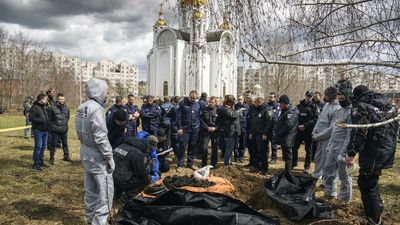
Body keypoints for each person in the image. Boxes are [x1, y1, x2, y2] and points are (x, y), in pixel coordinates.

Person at [346, 85, 398, 225]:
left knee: (366, 182)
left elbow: (359, 131)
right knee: (372, 180)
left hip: (373, 150)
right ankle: (378, 208)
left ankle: (374, 220)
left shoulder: (361, 106)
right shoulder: (388, 105)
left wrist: (351, 152)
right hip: (387, 149)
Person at [75, 78, 114, 225]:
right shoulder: (96, 109)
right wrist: (109, 157)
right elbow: (101, 137)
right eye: (106, 92)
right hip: (97, 156)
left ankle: (91, 219)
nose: (107, 96)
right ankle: (99, 222)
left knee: (90, 190)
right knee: (105, 192)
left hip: (85, 151)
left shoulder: (82, 107)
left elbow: (79, 131)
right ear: (99, 91)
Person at [323, 82, 353, 204]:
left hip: (342, 148)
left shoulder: (351, 112)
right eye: (339, 99)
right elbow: (335, 129)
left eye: (343, 99)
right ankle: (330, 192)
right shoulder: (340, 110)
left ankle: (345, 198)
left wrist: (344, 152)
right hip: (333, 146)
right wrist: (330, 144)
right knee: (328, 169)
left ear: (348, 98)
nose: (340, 101)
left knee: (343, 175)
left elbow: (350, 134)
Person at [311, 87, 341, 180]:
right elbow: (320, 120)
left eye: (326, 95)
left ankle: (326, 179)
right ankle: (316, 175)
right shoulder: (326, 105)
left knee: (325, 159)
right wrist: (314, 131)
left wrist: (319, 136)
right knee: (317, 157)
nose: (324, 96)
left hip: (328, 139)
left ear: (331, 96)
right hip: (319, 138)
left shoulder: (337, 108)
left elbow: (332, 128)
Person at [292, 91, 318, 174]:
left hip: (308, 131)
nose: (309, 97)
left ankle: (307, 167)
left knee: (309, 150)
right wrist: (298, 126)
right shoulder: (299, 106)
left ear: (312, 97)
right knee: (294, 147)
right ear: (305, 96)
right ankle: (294, 163)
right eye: (307, 96)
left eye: (310, 96)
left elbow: (315, 119)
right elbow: (294, 117)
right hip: (299, 131)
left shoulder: (314, 107)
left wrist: (305, 125)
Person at [176, 90, 201, 170]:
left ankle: (190, 163)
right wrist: (179, 128)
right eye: (192, 98)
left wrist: (198, 126)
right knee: (183, 146)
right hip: (185, 129)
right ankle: (180, 164)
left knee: (192, 146)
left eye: (195, 98)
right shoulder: (183, 103)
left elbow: (199, 116)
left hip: (195, 129)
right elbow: (178, 116)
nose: (193, 99)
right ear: (189, 96)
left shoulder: (197, 104)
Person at [248, 96, 273, 175]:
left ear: (259, 102)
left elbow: (269, 122)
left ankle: (264, 168)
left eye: (255, 102)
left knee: (262, 152)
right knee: (255, 151)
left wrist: (265, 133)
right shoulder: (255, 109)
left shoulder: (267, 109)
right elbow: (252, 122)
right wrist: (251, 132)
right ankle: (256, 166)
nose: (253, 103)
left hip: (262, 134)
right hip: (255, 134)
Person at [219, 95, 243, 167]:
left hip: (234, 130)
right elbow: (233, 115)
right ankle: (227, 163)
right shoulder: (224, 109)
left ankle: (229, 161)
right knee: (229, 148)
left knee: (231, 147)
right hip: (230, 130)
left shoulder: (229, 108)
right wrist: (240, 110)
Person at [47, 93, 72, 164]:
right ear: (57, 99)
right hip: (55, 129)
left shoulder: (66, 107)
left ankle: (66, 156)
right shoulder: (52, 107)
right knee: (53, 144)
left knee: (65, 144)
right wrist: (53, 127)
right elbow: (49, 119)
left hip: (64, 129)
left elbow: (68, 117)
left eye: (63, 99)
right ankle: (51, 158)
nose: (62, 101)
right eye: (61, 99)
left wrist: (64, 124)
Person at [275, 95, 298, 171]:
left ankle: (288, 172)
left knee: (288, 156)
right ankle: (286, 170)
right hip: (284, 137)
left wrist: (279, 133)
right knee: (285, 156)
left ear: (285, 103)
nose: (279, 105)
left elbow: (288, 125)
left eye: (281, 103)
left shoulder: (291, 112)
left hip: (288, 137)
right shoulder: (284, 111)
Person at [29, 93, 50, 171]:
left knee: (43, 147)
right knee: (38, 147)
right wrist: (41, 121)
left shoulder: (43, 106)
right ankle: (35, 165)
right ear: (41, 100)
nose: (46, 100)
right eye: (45, 99)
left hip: (45, 130)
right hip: (38, 130)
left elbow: (45, 117)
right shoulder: (34, 107)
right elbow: (31, 118)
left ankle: (40, 162)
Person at [199, 96, 219, 168]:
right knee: (204, 148)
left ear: (215, 103)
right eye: (209, 102)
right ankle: (204, 163)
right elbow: (201, 120)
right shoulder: (204, 110)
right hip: (206, 131)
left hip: (215, 131)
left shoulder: (218, 110)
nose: (210, 104)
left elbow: (220, 122)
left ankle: (213, 164)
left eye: (212, 102)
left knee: (214, 148)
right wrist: (207, 127)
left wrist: (215, 128)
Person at [233, 95, 250, 163]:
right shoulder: (235, 106)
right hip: (236, 128)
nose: (239, 101)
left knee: (242, 143)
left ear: (243, 99)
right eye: (238, 99)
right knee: (236, 143)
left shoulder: (247, 107)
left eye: (241, 99)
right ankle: (236, 157)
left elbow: (248, 117)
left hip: (244, 127)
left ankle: (241, 157)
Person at [267, 92, 280, 164]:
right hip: (267, 127)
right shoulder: (267, 105)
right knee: (265, 144)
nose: (270, 98)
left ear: (275, 98)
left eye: (271, 97)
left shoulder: (277, 105)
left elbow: (275, 116)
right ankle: (266, 157)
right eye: (269, 97)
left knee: (274, 144)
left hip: (274, 127)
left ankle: (274, 158)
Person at [168, 96, 181, 163]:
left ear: (173, 101)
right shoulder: (181, 107)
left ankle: (178, 157)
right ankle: (179, 156)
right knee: (178, 142)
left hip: (174, 127)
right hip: (179, 127)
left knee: (175, 143)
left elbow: (167, 114)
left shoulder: (174, 108)